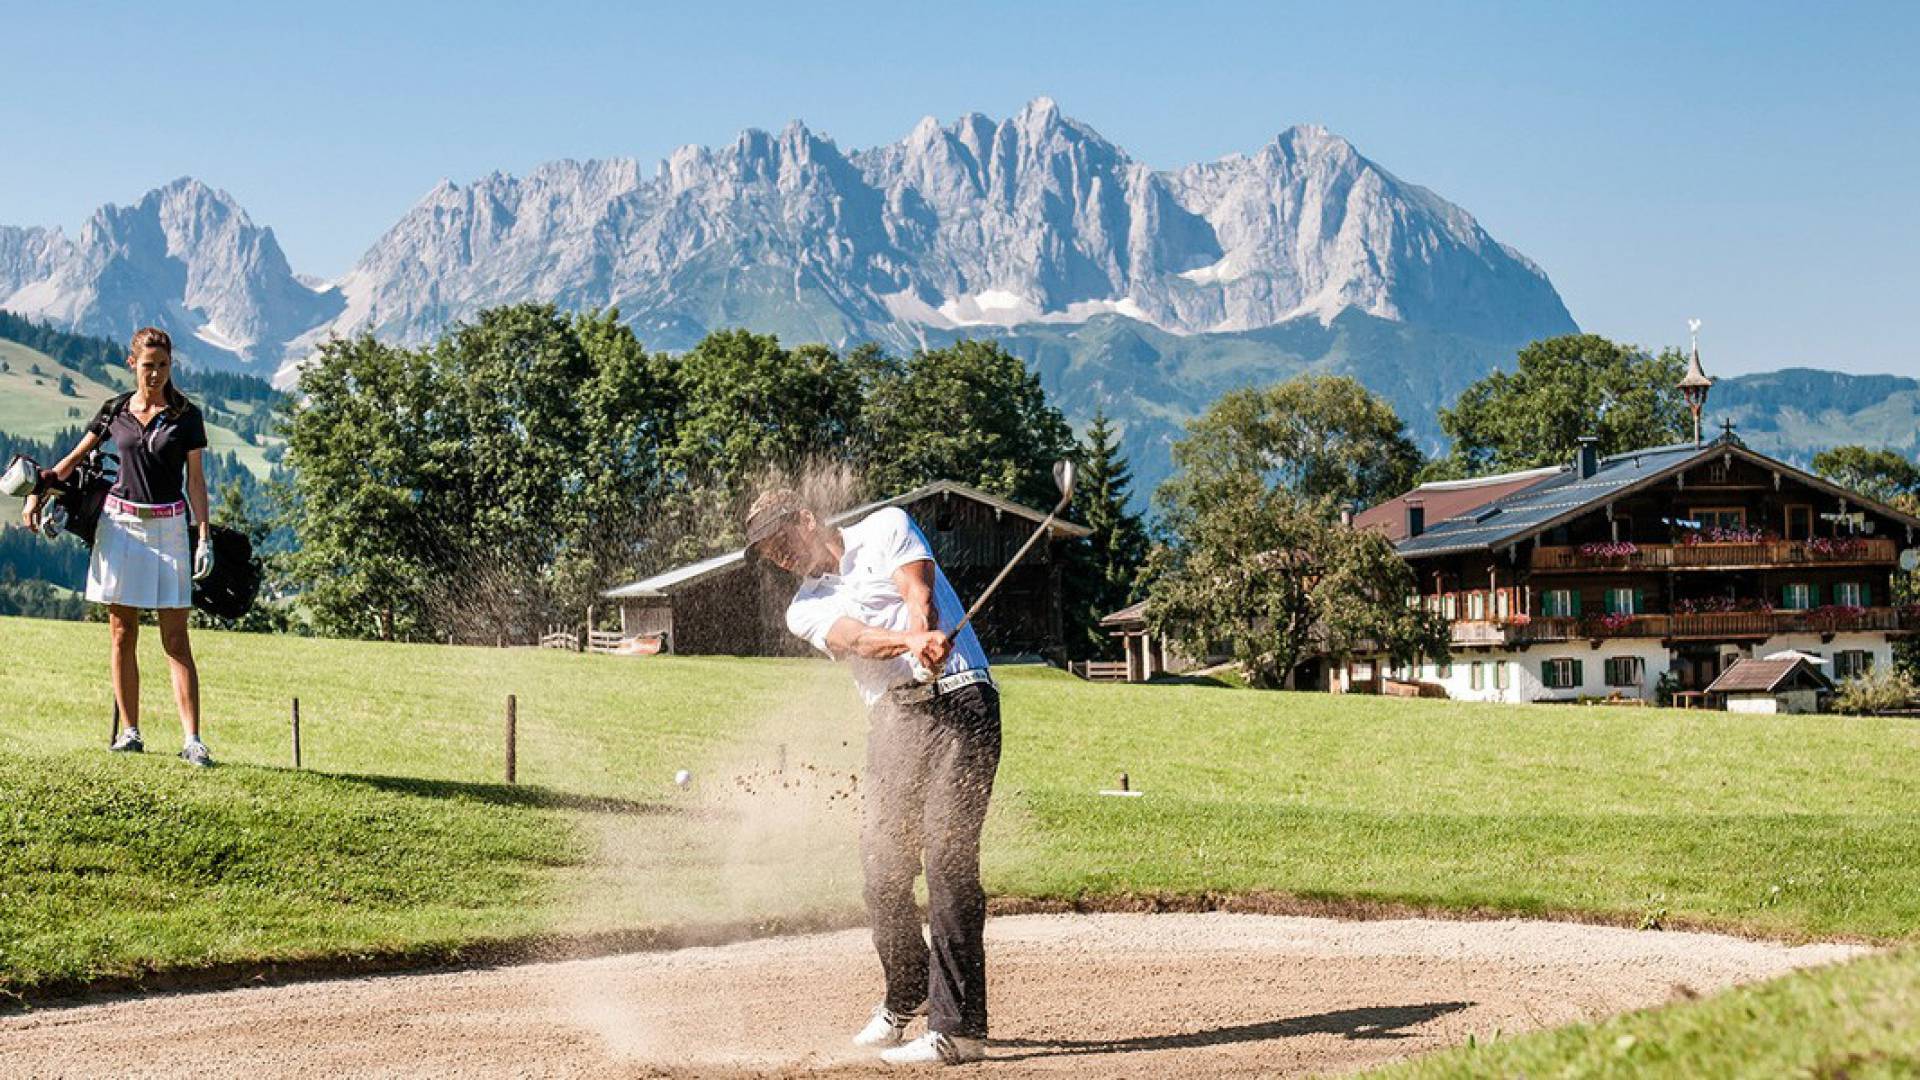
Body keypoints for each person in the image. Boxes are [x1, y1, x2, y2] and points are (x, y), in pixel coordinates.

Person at [746, 489, 999, 1067]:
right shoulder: (803, 607)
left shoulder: (886, 525)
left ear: (806, 519)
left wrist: (925, 634)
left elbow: (917, 589)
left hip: (962, 701)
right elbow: (855, 639)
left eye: (780, 539)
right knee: (882, 870)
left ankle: (958, 1030)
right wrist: (911, 644)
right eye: (767, 552)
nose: (778, 555)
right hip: (894, 720)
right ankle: (905, 991)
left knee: (947, 858)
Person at [23, 327, 216, 766]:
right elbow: (71, 461)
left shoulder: (187, 416)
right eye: (148, 366)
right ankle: (130, 732)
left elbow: (196, 482)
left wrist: (203, 535)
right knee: (121, 631)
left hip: (169, 526)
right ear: (133, 364)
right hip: (120, 524)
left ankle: (193, 740)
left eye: (163, 366)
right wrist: (39, 490)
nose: (156, 375)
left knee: (175, 638)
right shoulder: (115, 411)